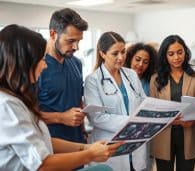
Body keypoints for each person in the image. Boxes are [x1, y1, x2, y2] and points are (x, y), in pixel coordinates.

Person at [0, 24, 123, 171]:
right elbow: (42, 164)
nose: (45, 65)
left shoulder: (17, 99)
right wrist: (90, 154)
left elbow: (43, 141)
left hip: (71, 138)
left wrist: (86, 147)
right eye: (41, 59)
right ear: (23, 63)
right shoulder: (6, 104)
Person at [84, 31, 147, 171]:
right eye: (115, 53)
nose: (121, 57)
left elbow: (143, 102)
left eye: (123, 52)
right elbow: (97, 117)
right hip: (109, 147)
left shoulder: (131, 75)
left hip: (135, 145)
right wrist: (132, 122)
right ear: (102, 54)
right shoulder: (93, 80)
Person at [149, 35, 195, 171]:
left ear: (185, 51)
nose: (176, 58)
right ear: (165, 56)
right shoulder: (156, 79)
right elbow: (152, 110)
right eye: (171, 54)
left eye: (180, 52)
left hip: (188, 134)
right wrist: (171, 120)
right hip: (163, 136)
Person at [38, 8, 87, 145]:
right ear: (53, 34)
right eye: (71, 41)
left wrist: (83, 131)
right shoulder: (36, 67)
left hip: (77, 142)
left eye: (79, 41)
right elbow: (26, 115)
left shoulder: (76, 63)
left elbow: (77, 100)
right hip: (50, 145)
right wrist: (61, 117)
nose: (76, 47)